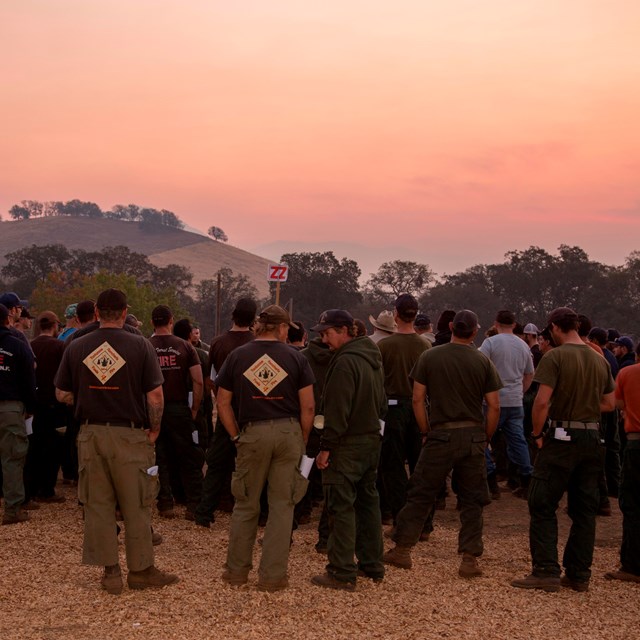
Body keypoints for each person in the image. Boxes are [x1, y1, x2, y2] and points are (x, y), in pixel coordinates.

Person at [54, 288, 178, 594]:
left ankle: (110, 572)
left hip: (91, 433)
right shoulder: (140, 345)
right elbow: (156, 395)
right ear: (124, 313)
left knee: (98, 503)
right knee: (136, 502)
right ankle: (142, 571)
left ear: (96, 312)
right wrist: (155, 429)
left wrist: (87, 396)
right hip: (130, 434)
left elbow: (61, 393)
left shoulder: (77, 345)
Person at [383, 310, 501, 578]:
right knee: (472, 499)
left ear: (450, 327)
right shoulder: (482, 360)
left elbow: (417, 399)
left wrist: (425, 430)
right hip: (472, 435)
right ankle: (469, 558)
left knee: (421, 492)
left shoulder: (430, 356)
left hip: (440, 434)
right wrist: (486, 436)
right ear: (474, 332)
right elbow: (494, 405)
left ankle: (402, 549)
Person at [511, 307, 615, 593]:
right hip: (592, 438)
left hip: (561, 436)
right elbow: (609, 404)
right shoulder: (599, 360)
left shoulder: (555, 356)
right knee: (584, 510)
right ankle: (579, 573)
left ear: (556, 327)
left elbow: (542, 402)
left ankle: (545, 569)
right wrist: (583, 408)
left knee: (542, 501)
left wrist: (536, 434)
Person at [215, 304, 314, 591]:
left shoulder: (238, 355)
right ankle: (272, 577)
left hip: (252, 433)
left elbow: (222, 402)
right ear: (283, 328)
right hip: (288, 431)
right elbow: (308, 406)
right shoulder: (296, 358)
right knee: (282, 506)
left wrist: (235, 436)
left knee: (246, 505)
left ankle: (236, 572)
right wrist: (302, 438)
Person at [311, 309, 387, 590]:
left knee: (340, 506)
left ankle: (342, 571)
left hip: (346, 444)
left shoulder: (344, 363)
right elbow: (382, 402)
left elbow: (336, 410)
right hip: (370, 441)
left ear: (344, 330)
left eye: (327, 333)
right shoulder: (372, 358)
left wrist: (326, 448)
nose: (323, 339)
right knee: (368, 504)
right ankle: (372, 565)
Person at [195, 297, 257, 528]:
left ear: (233, 315)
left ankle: (204, 512)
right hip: (253, 410)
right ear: (253, 319)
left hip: (225, 409)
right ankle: (254, 513)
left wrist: (219, 397)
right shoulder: (256, 343)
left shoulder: (218, 343)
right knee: (253, 464)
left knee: (217, 463)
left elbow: (210, 378)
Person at [377, 294, 430, 526]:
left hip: (392, 409)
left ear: (396, 314)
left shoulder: (384, 346)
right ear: (416, 315)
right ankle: (423, 522)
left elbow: (377, 383)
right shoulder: (425, 346)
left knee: (393, 466)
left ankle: (400, 519)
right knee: (420, 467)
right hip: (419, 408)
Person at [149, 305, 204, 520]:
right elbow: (198, 381)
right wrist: (195, 408)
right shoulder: (185, 346)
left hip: (153, 408)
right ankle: (193, 504)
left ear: (153, 322)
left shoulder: (145, 346)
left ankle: (165, 504)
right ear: (171, 321)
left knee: (159, 457)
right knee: (189, 456)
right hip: (179, 407)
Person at [479, 310, 534, 498]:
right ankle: (527, 478)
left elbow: (479, 368)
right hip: (515, 400)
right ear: (513, 324)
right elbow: (529, 374)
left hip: (494, 401)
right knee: (518, 440)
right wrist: (520, 391)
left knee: (483, 440)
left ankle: (491, 479)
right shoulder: (523, 345)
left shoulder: (490, 343)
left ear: (496, 324)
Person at [606, 343, 640, 583]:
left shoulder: (628, 373)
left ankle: (632, 564)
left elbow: (616, 404)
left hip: (636, 443)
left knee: (632, 503)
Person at [0, 303, 36, 525]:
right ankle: (12, 509)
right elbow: (29, 381)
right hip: (10, 408)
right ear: (7, 320)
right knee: (12, 458)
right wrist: (30, 408)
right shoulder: (17, 345)